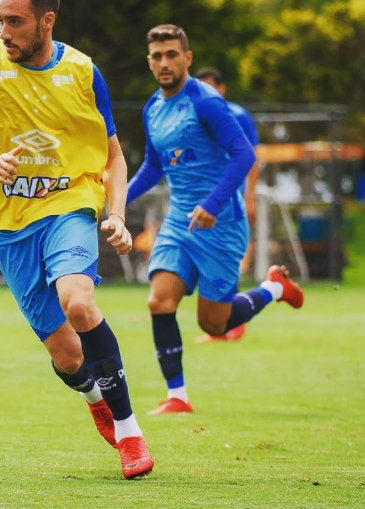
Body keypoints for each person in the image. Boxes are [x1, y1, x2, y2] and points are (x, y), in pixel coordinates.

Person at [0, 0, 153, 479]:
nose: (4, 31)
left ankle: (130, 432)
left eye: (16, 21)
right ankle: (97, 399)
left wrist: (115, 214)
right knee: (67, 355)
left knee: (79, 300)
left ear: (46, 21)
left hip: (68, 204)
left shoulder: (83, 72)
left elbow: (114, 157)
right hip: (6, 225)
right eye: (0, 20)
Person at [126, 24, 304, 415]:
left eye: (172, 54)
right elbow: (153, 168)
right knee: (159, 301)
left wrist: (213, 202)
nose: (164, 62)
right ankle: (178, 396)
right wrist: (116, 202)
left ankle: (274, 288)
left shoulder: (206, 102)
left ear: (187, 58)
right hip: (178, 224)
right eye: (157, 56)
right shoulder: (152, 108)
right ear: (149, 62)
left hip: (221, 224)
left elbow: (244, 155)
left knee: (215, 324)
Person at [193, 66, 260, 342]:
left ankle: (231, 324)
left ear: (222, 89)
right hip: (205, 198)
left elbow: (252, 156)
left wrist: (250, 194)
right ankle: (222, 323)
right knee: (209, 258)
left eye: (210, 87)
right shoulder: (192, 115)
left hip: (231, 200)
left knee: (226, 258)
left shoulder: (237, 114)